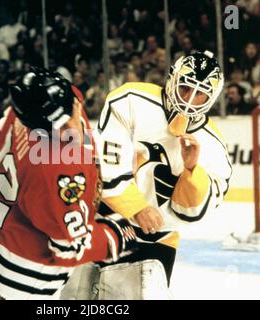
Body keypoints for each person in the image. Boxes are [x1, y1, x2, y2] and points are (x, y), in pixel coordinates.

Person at [61, 51, 232, 299]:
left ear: (212, 98)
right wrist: (137, 208)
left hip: (155, 240)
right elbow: (105, 166)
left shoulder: (214, 147)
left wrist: (192, 170)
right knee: (76, 299)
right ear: (173, 79)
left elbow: (190, 214)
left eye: (201, 94)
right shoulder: (130, 100)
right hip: (101, 222)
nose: (189, 99)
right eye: (185, 88)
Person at [0, 67, 137, 300]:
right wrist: (113, 237)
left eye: (68, 118)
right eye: (58, 128)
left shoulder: (26, 111)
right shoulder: (53, 169)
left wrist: (3, 197)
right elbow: (67, 249)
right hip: (16, 283)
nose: (69, 130)